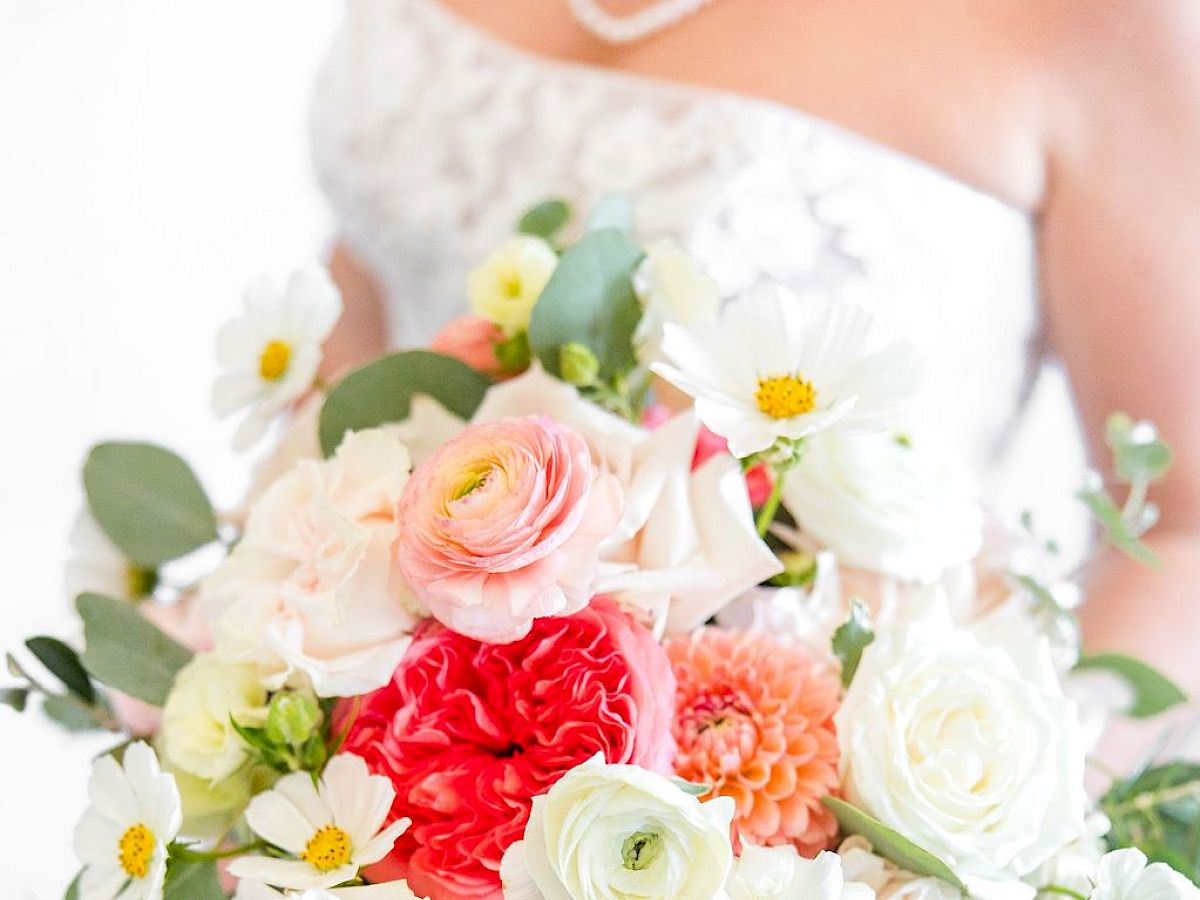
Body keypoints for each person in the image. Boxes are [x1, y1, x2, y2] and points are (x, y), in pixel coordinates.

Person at [310, 0, 1200, 718]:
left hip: (793, 789)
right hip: (398, 756)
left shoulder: (1099, 25)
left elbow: (1181, 527)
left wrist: (994, 829)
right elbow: (387, 260)